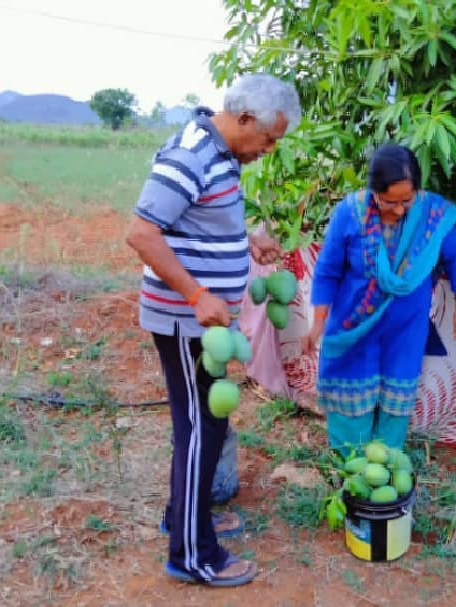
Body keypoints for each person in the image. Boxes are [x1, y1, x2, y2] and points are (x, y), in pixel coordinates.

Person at [124, 73, 301, 587]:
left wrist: (247, 239)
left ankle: (183, 516)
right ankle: (193, 554)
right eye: (268, 139)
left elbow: (195, 219)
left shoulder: (221, 155)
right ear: (245, 118)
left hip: (202, 320)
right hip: (183, 320)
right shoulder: (192, 154)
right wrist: (197, 295)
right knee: (201, 426)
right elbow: (141, 231)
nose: (268, 150)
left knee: (205, 425)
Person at [302, 143, 456, 454]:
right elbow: (327, 271)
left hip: (405, 329)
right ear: (373, 191)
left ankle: (386, 462)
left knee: (397, 391)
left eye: (406, 201)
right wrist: (318, 322)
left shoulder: (430, 215)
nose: (398, 210)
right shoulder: (349, 214)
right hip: (355, 327)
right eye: (389, 202)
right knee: (352, 390)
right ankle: (351, 466)